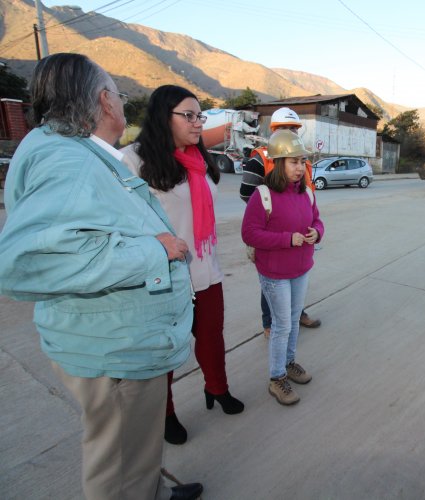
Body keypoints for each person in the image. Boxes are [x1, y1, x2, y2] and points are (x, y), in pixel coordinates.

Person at [0, 53, 202, 500]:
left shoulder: (65, 150)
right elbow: (31, 260)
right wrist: (155, 248)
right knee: (118, 462)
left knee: (133, 454)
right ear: (103, 101)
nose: (122, 105)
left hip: (108, 338)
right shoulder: (68, 162)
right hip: (112, 350)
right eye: (119, 93)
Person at [121, 85, 245, 446]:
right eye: (188, 115)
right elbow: (124, 222)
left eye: (199, 116)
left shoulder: (198, 159)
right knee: (164, 352)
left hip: (207, 270)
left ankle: (217, 390)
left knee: (211, 339)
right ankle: (166, 414)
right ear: (164, 117)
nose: (197, 122)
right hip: (163, 279)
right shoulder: (132, 160)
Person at [241, 129, 324, 405]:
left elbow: (317, 220)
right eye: (294, 162)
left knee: (293, 323)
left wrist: (316, 233)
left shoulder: (306, 194)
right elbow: (250, 234)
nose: (300, 168)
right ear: (278, 163)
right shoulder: (262, 195)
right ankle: (277, 378)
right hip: (275, 274)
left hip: (301, 269)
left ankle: (289, 363)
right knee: (282, 325)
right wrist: (288, 239)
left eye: (303, 162)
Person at [240, 107, 321, 337]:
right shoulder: (261, 158)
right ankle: (269, 323)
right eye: (285, 128)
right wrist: (269, 212)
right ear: (274, 130)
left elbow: (307, 190)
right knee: (272, 280)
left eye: (294, 129)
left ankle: (297, 314)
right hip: (270, 228)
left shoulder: (301, 158)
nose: (291, 132)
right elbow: (247, 192)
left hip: (300, 230)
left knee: (296, 278)